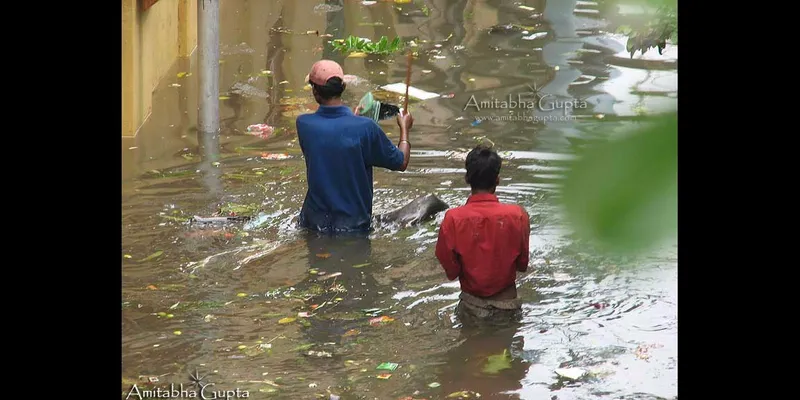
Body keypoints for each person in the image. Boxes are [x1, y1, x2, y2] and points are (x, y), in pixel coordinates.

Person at [296, 60, 414, 233]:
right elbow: (401, 162)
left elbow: (331, 141)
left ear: (314, 90)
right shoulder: (366, 128)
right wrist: (404, 128)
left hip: (313, 223)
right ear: (343, 87)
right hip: (353, 226)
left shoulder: (304, 124)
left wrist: (353, 119)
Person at [435, 144, 531, 326]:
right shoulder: (518, 215)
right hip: (507, 306)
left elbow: (451, 271)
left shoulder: (453, 219)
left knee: (471, 352)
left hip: (472, 307)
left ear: (467, 178)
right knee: (507, 351)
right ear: (497, 180)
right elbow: (522, 264)